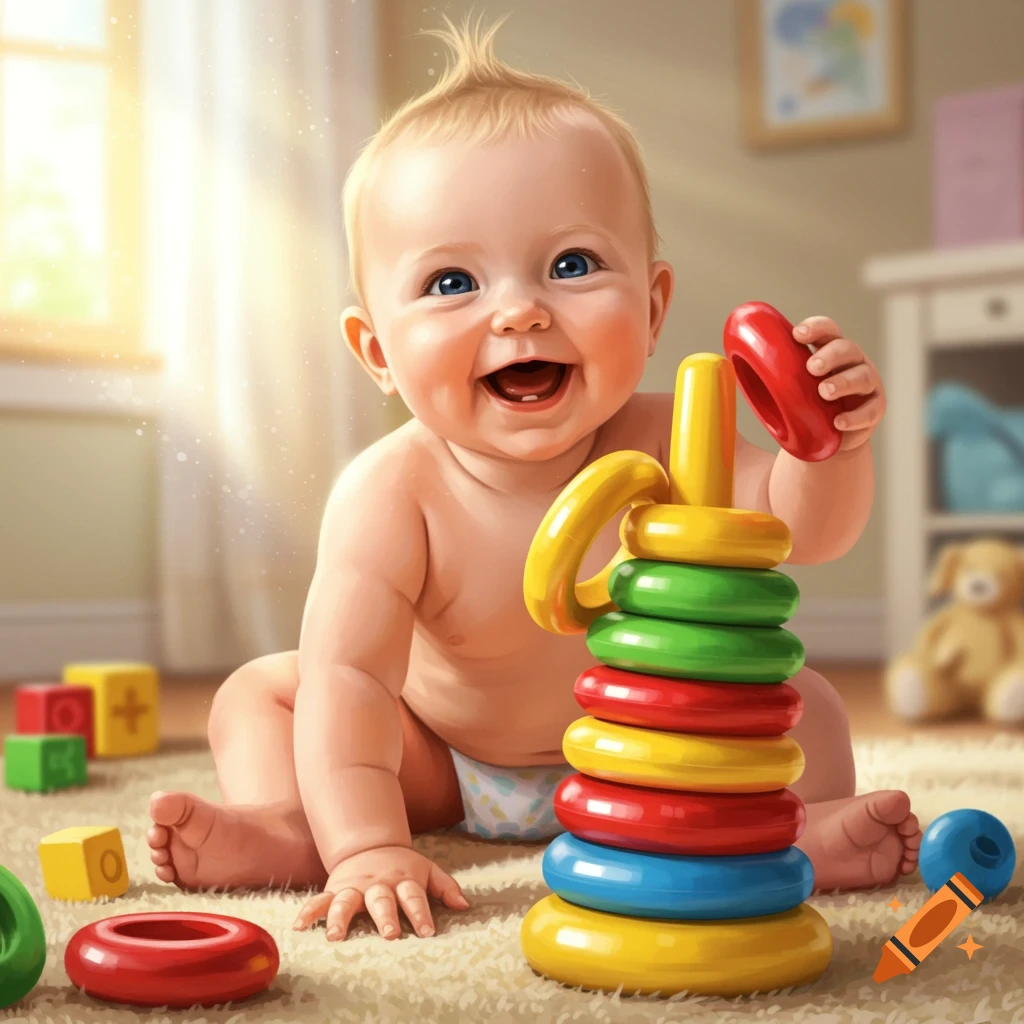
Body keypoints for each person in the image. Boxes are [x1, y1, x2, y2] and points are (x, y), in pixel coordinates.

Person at [147, 13, 920, 943]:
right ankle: (306, 832)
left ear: (652, 301)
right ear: (376, 350)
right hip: (441, 761)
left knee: (809, 701)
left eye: (571, 265)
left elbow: (806, 529)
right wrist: (366, 843)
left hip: (651, 757)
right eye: (450, 284)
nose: (519, 310)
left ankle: (789, 832)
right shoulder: (391, 491)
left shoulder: (676, 436)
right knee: (268, 695)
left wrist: (823, 445)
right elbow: (352, 676)